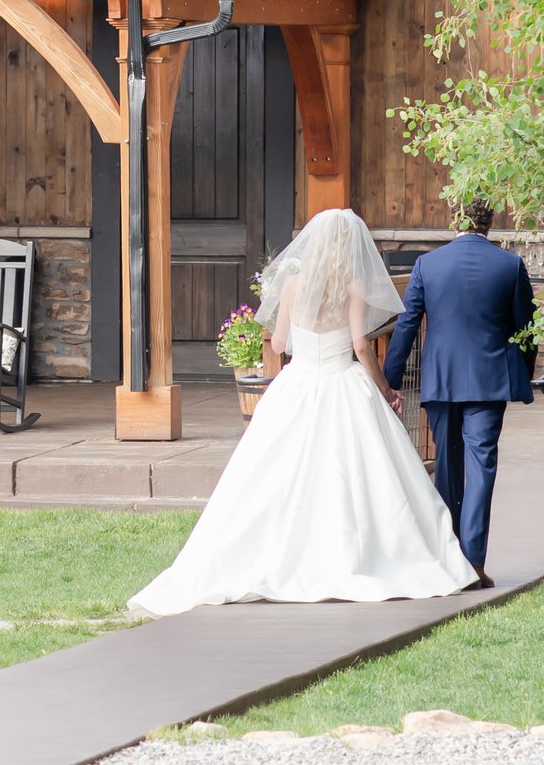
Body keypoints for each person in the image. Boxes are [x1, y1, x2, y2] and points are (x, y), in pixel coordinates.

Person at [128, 208, 477, 614]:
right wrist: (384, 388)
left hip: (298, 383)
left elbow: (277, 345)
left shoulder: (292, 283)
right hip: (343, 381)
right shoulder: (353, 285)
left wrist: (303, 342)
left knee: (276, 472)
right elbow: (362, 346)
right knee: (357, 473)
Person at [383, 197, 536, 590]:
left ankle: (447, 560)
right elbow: (525, 330)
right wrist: (524, 375)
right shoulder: (509, 265)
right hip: (489, 382)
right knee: (481, 467)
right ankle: (472, 562)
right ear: (490, 224)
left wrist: (390, 379)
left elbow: (407, 325)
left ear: (454, 222)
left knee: (448, 468)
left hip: (440, 379)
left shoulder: (427, 265)